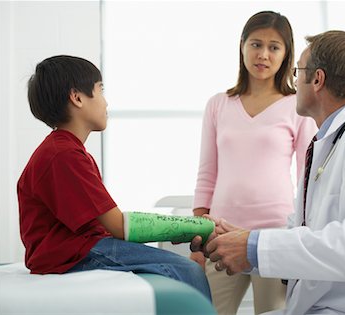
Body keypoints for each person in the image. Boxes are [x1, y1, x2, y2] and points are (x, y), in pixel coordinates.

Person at [192, 30, 345, 314]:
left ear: (317, 79)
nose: (295, 81)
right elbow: (311, 235)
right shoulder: (334, 140)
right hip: (328, 303)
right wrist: (244, 239)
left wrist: (254, 246)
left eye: (298, 72)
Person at [17, 55, 211, 300]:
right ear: (77, 97)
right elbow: (118, 226)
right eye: (100, 91)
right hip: (70, 254)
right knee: (187, 270)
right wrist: (193, 228)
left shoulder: (64, 150)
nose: (106, 103)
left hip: (78, 247)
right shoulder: (64, 155)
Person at [191, 11, 317, 315]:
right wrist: (197, 236)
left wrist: (304, 236)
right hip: (220, 234)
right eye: (256, 44)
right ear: (242, 46)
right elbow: (207, 172)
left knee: (273, 311)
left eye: (274, 47)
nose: (263, 55)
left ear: (286, 54)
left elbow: (308, 177)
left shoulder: (297, 107)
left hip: (275, 236)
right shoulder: (218, 104)